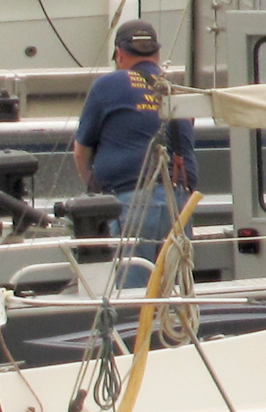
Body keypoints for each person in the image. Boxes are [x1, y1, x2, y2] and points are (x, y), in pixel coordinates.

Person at [73, 20, 195, 270]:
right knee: (176, 290)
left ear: (119, 54)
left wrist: (95, 195)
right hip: (181, 203)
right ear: (157, 54)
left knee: (133, 295)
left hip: (133, 202)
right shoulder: (178, 91)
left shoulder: (108, 85)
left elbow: (81, 152)